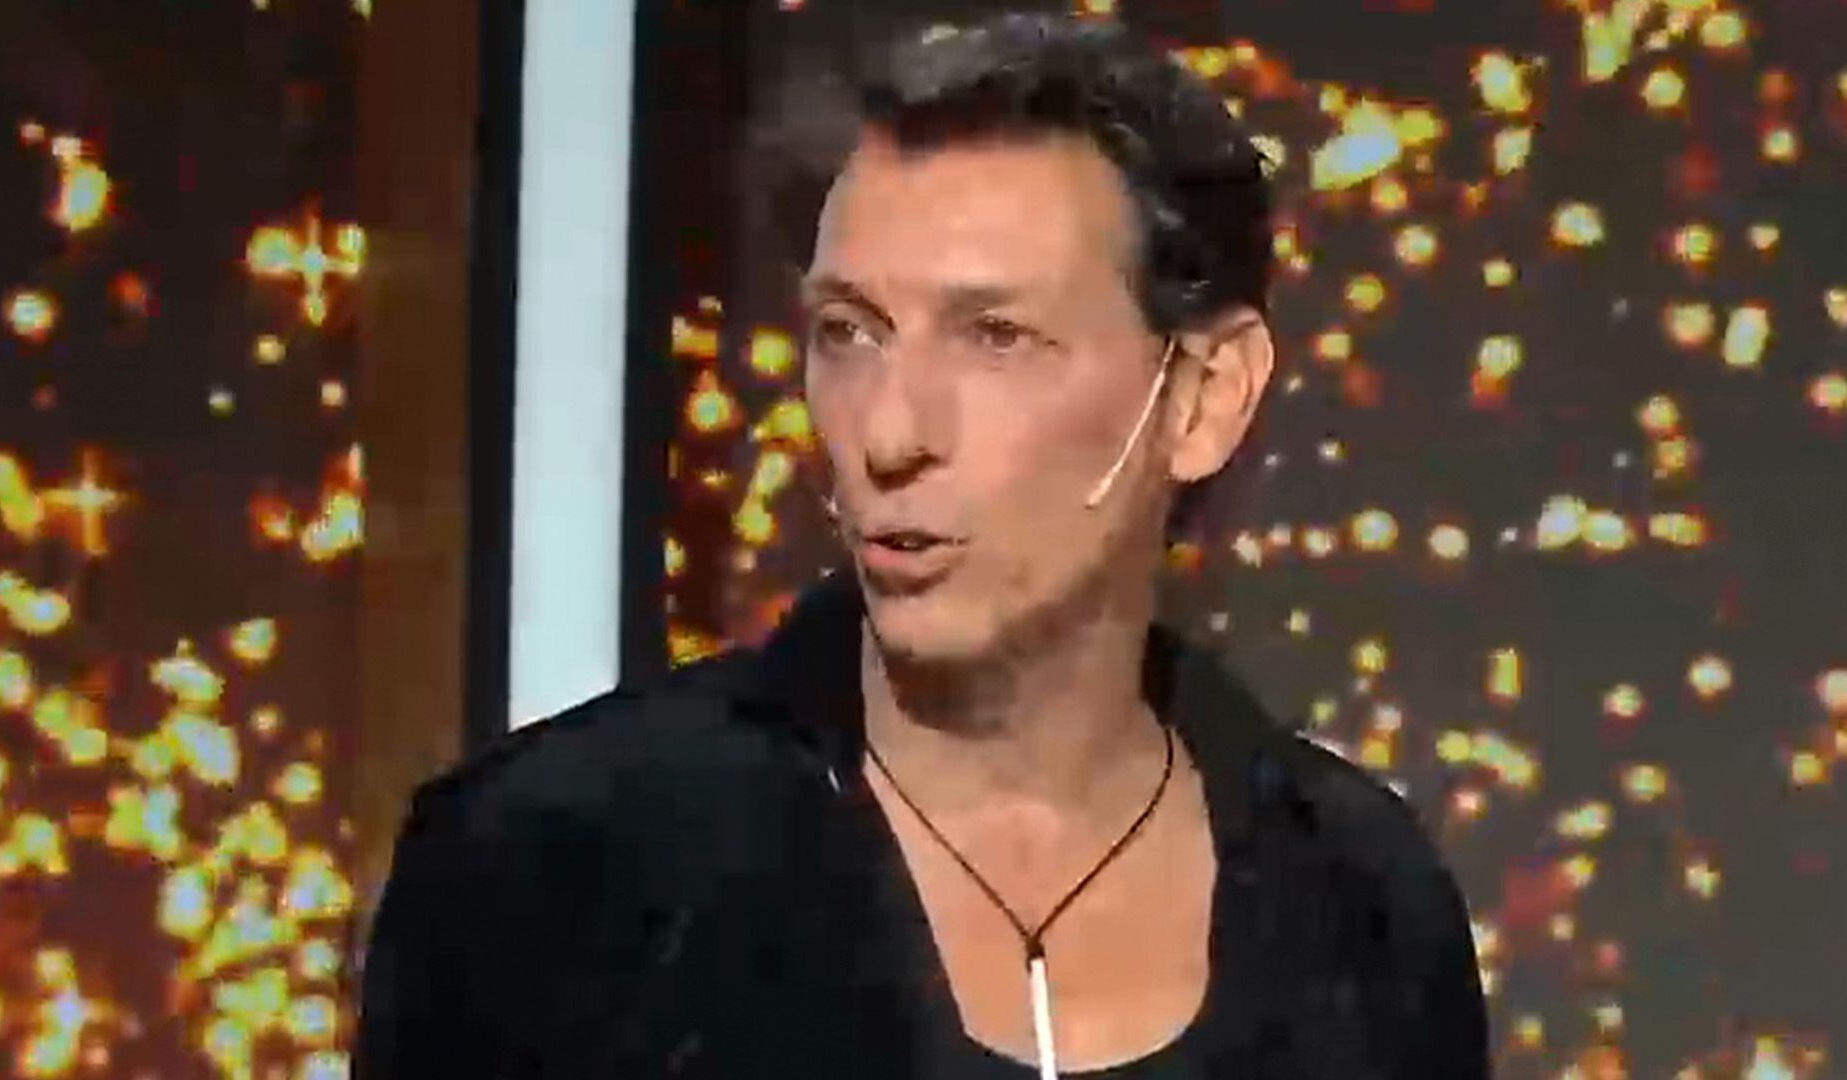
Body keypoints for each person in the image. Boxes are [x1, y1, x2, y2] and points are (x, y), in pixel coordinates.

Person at [354, 12, 1490, 1078]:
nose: (889, 435)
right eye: (848, 332)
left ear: (1202, 396)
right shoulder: (547, 868)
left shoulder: (1365, 903)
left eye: (995, 336)